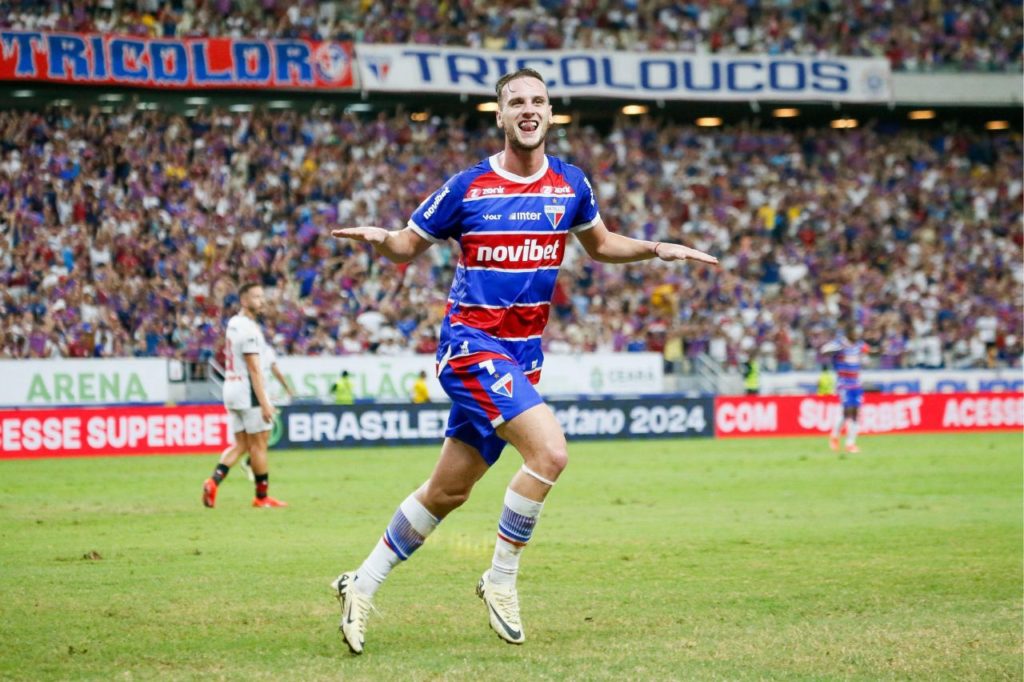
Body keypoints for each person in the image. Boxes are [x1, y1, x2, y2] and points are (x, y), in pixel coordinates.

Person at [326, 67, 719, 655]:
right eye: (517, 102)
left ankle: (363, 581)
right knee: (550, 452)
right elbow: (407, 246)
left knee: (447, 492)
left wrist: (656, 249)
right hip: (469, 347)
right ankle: (500, 580)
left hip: (522, 358)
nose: (529, 109)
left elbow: (602, 244)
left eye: (538, 100)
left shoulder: (571, 184)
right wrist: (382, 239)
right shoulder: (467, 186)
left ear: (551, 113)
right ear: (501, 115)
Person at [202, 283, 287, 508]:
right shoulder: (249, 330)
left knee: (241, 445)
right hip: (248, 392)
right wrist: (264, 403)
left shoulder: (234, 323)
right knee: (259, 445)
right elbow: (254, 369)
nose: (261, 301)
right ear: (244, 301)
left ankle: (213, 481)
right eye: (256, 297)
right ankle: (261, 497)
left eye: (262, 296)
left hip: (230, 387)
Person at [821, 322, 869, 454]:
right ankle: (835, 436)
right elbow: (824, 350)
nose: (857, 335)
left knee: (855, 412)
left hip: (856, 383)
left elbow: (868, 349)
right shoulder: (839, 343)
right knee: (847, 410)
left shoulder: (858, 345)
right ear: (848, 333)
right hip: (844, 383)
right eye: (854, 332)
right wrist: (836, 350)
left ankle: (850, 443)